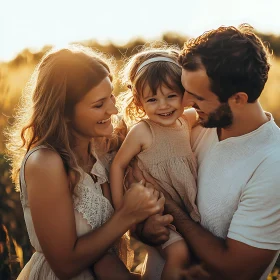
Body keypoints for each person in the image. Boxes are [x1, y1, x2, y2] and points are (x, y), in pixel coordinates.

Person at [131, 25, 280, 280]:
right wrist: (145, 229)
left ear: (238, 99)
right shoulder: (190, 124)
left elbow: (236, 269)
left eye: (197, 96)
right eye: (184, 88)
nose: (185, 102)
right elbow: (135, 179)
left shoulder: (271, 165)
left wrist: (171, 207)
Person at [5, 45, 164, 280]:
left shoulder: (105, 144)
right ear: (64, 112)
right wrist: (128, 215)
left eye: (111, 95)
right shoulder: (45, 162)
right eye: (98, 105)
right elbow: (65, 265)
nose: (113, 108)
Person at [110, 48, 200, 280]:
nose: (163, 106)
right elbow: (118, 165)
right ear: (139, 103)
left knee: (190, 254)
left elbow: (208, 110)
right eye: (152, 99)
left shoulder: (185, 120)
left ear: (184, 94)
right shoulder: (143, 131)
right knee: (178, 252)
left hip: (183, 207)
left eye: (171, 96)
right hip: (155, 211)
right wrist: (123, 210)